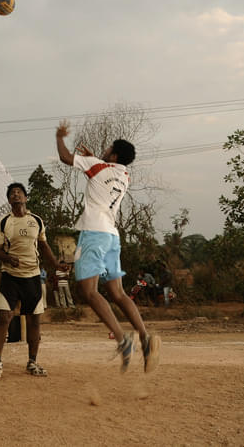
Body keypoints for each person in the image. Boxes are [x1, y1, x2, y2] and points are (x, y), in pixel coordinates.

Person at [56, 121, 160, 373]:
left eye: (108, 148)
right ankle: (145, 338)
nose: (103, 150)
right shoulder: (124, 175)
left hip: (94, 232)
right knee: (118, 293)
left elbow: (65, 157)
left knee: (88, 291)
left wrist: (59, 136)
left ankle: (123, 340)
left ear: (113, 154)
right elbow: (104, 174)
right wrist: (94, 159)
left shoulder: (97, 166)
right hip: (112, 236)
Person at [0, 182, 64, 380]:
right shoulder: (3, 222)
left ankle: (32, 362)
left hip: (33, 277)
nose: (16, 195)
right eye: (12, 193)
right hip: (10, 277)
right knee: (4, 317)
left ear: (25, 198)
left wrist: (56, 264)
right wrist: (7, 258)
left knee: (34, 320)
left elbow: (44, 245)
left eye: (19, 192)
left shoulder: (36, 221)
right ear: (9, 200)